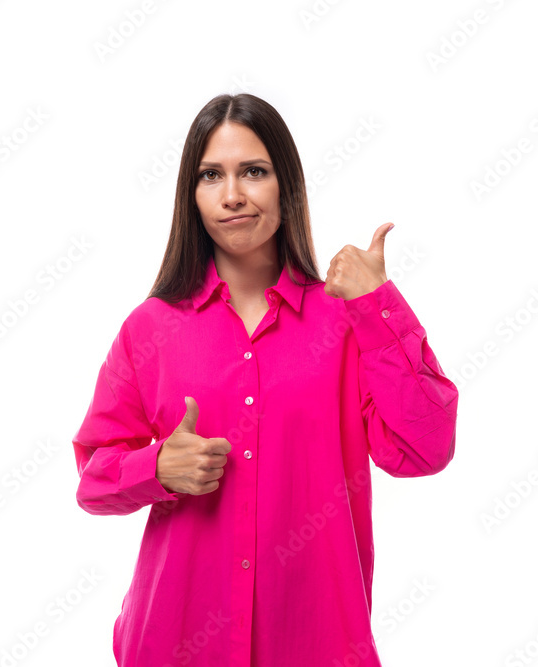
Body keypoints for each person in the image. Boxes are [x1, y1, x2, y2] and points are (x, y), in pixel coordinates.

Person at [71, 92, 458, 667]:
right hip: (175, 645)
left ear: (287, 185)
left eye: (253, 171)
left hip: (315, 644)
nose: (232, 195)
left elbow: (423, 450)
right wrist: (155, 467)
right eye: (211, 175)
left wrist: (378, 307)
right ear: (191, 195)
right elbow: (94, 480)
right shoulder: (150, 329)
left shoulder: (348, 322)